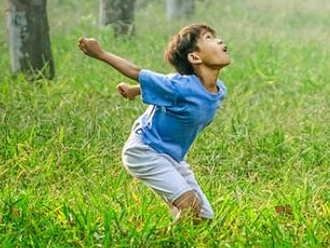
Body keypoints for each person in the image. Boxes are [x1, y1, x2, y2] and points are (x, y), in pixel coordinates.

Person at [78, 24, 231, 221]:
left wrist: (134, 90)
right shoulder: (179, 85)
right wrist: (100, 53)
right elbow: (137, 72)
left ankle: (178, 223)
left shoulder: (219, 90)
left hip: (173, 158)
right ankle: (160, 247)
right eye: (209, 38)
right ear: (194, 57)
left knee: (203, 217)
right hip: (145, 150)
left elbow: (166, 90)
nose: (219, 41)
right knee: (190, 206)